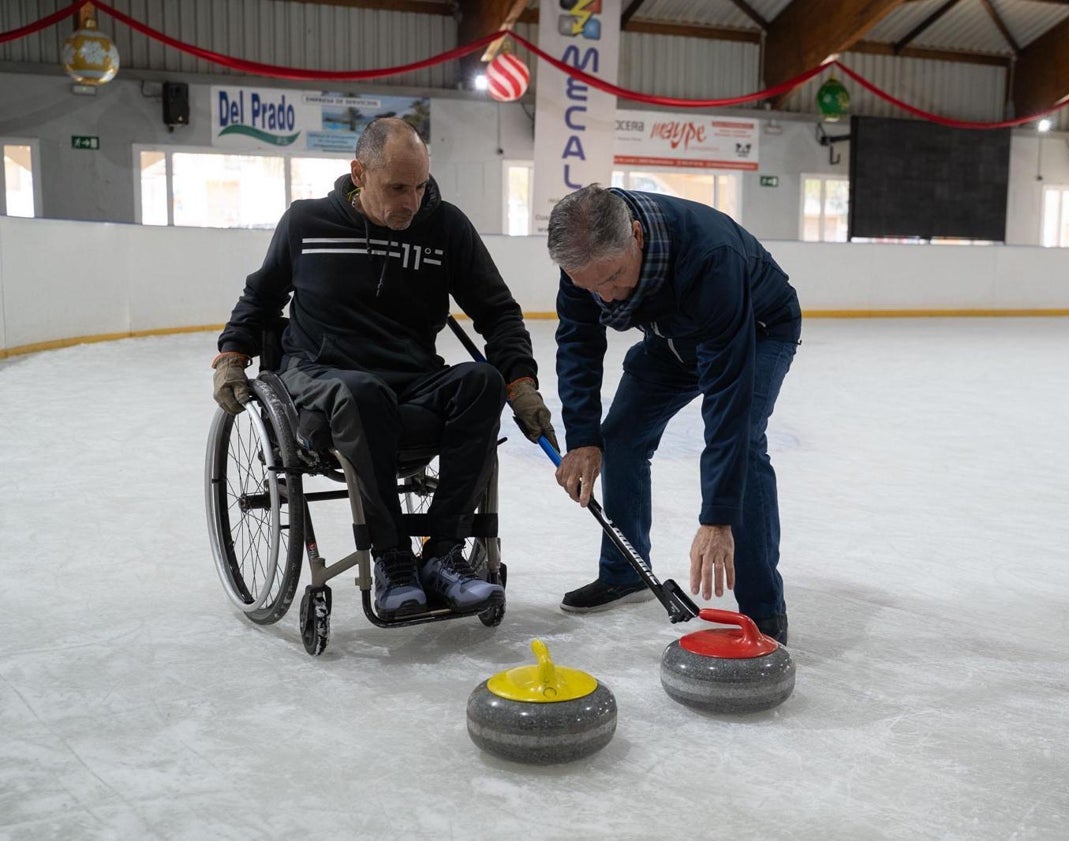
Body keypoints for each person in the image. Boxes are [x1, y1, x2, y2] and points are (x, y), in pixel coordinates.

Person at [212, 117, 557, 620]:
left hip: (411, 378)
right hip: (319, 374)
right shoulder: (306, 223)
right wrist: (231, 356)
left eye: (419, 187)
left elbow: (497, 311)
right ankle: (393, 560)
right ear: (359, 173)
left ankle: (442, 555)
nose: (411, 202)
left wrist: (521, 382)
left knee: (482, 383)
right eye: (397, 187)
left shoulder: (445, 228)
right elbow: (260, 297)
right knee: (363, 392)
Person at [547, 184, 800, 644]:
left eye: (612, 279)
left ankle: (764, 611)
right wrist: (582, 437)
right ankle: (625, 571)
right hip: (672, 337)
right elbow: (578, 345)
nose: (605, 298)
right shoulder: (583, 257)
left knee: (745, 442)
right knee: (621, 436)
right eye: (591, 287)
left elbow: (728, 402)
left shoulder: (711, 257)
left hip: (757, 329)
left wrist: (717, 518)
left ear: (637, 236)